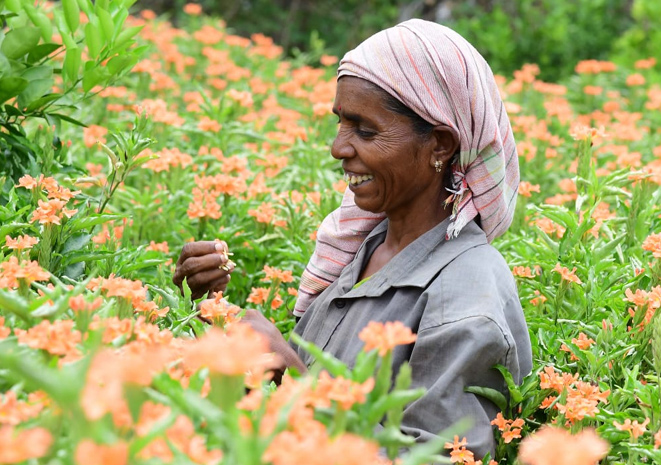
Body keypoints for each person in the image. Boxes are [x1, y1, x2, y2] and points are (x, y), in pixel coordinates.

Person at [173, 19, 532, 458]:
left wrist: (293, 379)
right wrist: (215, 310)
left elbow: (444, 456)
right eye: (341, 123)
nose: (338, 147)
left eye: (365, 130)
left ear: (439, 145)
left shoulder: (463, 297)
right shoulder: (366, 245)